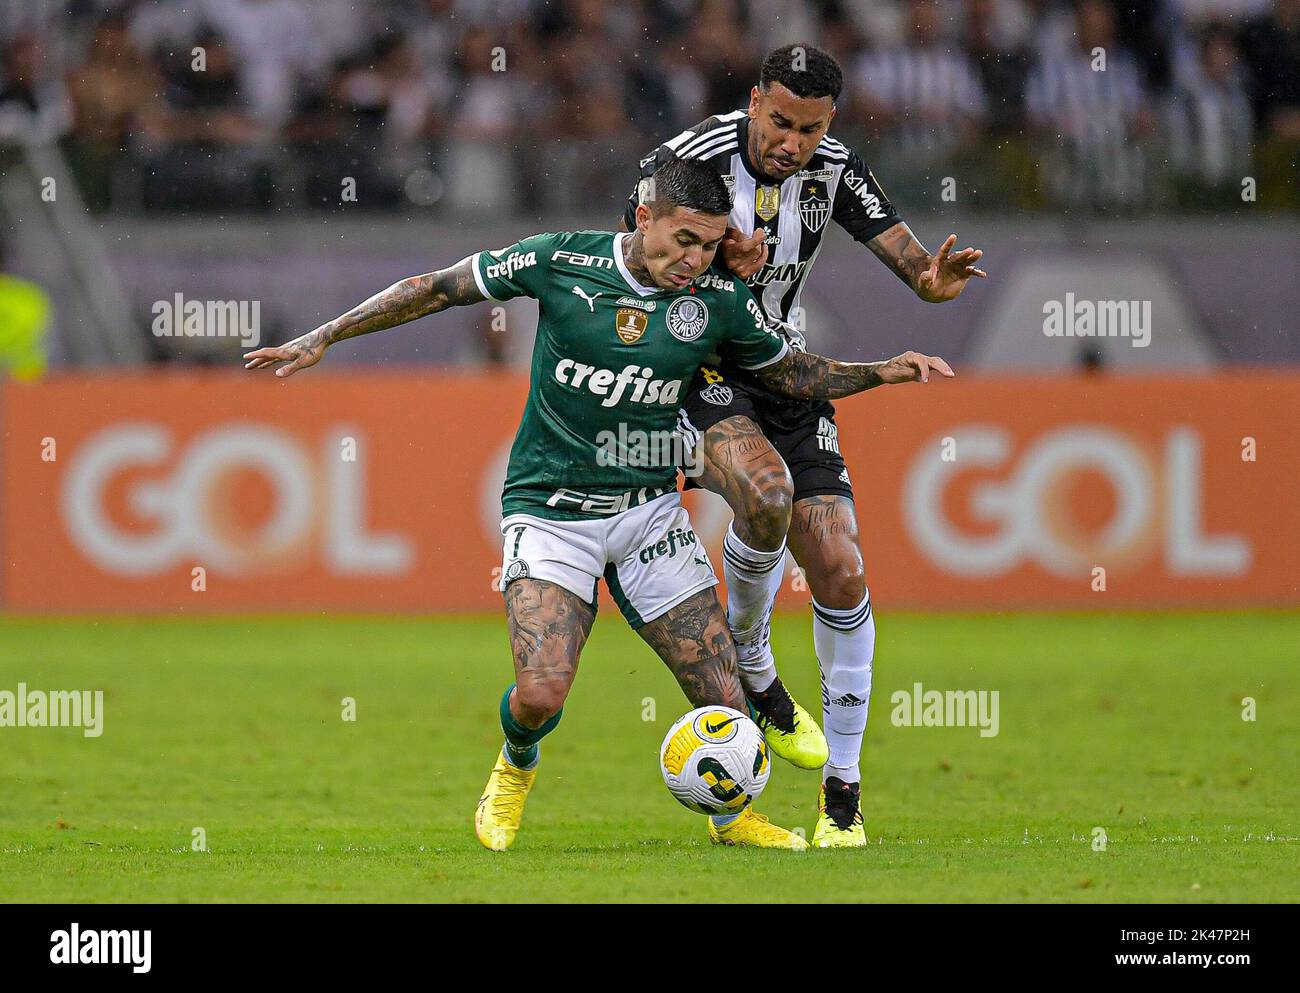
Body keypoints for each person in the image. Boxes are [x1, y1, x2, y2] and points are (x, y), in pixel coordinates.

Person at [244, 157, 953, 852]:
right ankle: (516, 763)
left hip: (648, 512)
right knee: (542, 694)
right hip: (551, 511)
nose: (693, 259)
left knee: (726, 703)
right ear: (644, 218)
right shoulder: (560, 262)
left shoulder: (715, 299)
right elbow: (438, 288)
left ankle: (732, 818)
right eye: (683, 240)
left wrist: (881, 371)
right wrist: (327, 334)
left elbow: (793, 372)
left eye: (708, 245)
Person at [621, 44, 985, 847]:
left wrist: (936, 278)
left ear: (830, 123)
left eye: (810, 128)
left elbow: (916, 267)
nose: (791, 141)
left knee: (842, 563)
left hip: (789, 369)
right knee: (766, 491)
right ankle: (754, 662)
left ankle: (843, 795)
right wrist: (718, 256)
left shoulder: (837, 170)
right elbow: (634, 262)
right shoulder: (687, 163)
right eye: (780, 121)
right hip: (700, 367)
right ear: (753, 102)